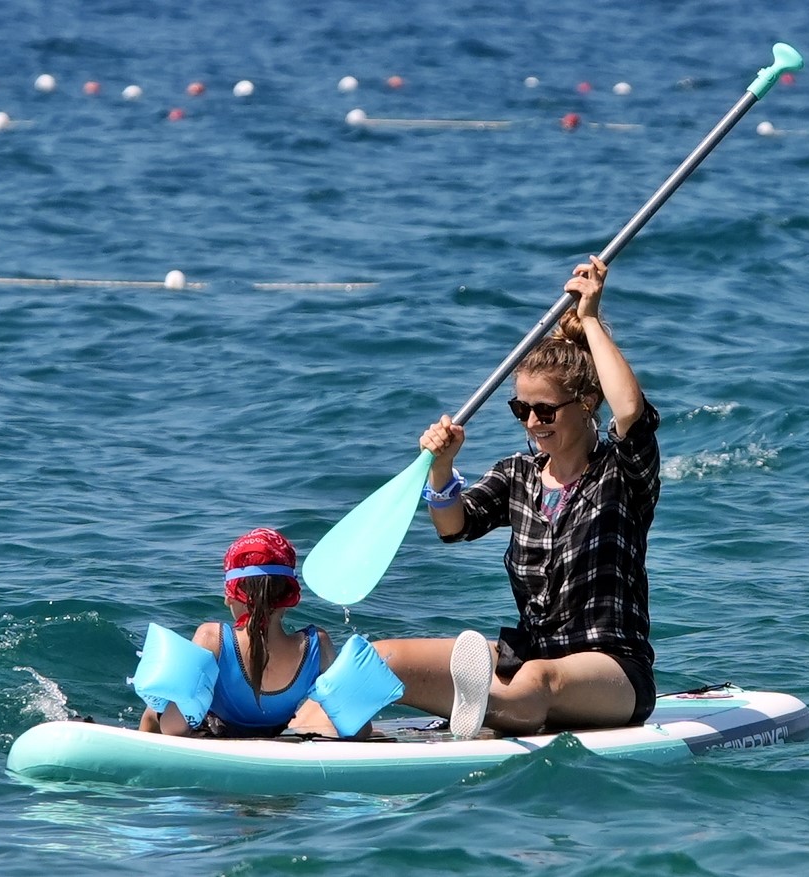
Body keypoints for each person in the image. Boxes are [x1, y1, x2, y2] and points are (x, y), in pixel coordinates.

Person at [375, 255, 660, 738]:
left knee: (536, 680)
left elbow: (630, 409)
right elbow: (452, 526)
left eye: (545, 411)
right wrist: (442, 467)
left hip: (613, 672)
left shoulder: (622, 473)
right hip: (529, 648)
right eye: (520, 408)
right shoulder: (517, 474)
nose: (532, 422)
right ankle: (311, 715)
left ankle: (486, 706)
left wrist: (589, 320)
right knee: (383, 658)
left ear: (587, 403)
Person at [138, 527, 359, 738]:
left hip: (214, 735)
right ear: (289, 597)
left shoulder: (212, 638)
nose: (226, 600)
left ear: (232, 594)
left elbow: (174, 728)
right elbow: (358, 729)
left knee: (155, 708)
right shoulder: (317, 645)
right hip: (275, 733)